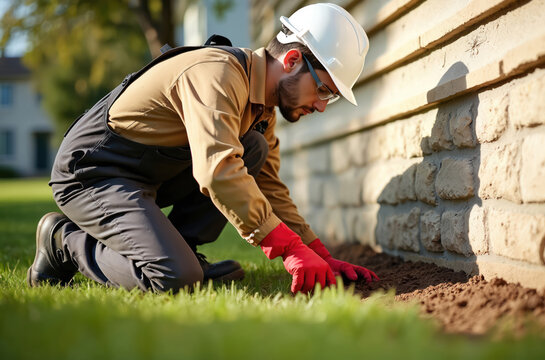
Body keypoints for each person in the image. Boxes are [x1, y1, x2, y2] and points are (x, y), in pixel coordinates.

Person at [27, 3, 378, 294]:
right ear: (292, 61)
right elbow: (217, 170)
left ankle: (183, 252)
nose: (321, 106)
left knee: (252, 147)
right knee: (173, 278)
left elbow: (268, 187)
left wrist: (317, 252)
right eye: (324, 91)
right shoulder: (218, 74)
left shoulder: (261, 111)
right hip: (94, 172)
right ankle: (64, 243)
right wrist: (287, 249)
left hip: (147, 171)